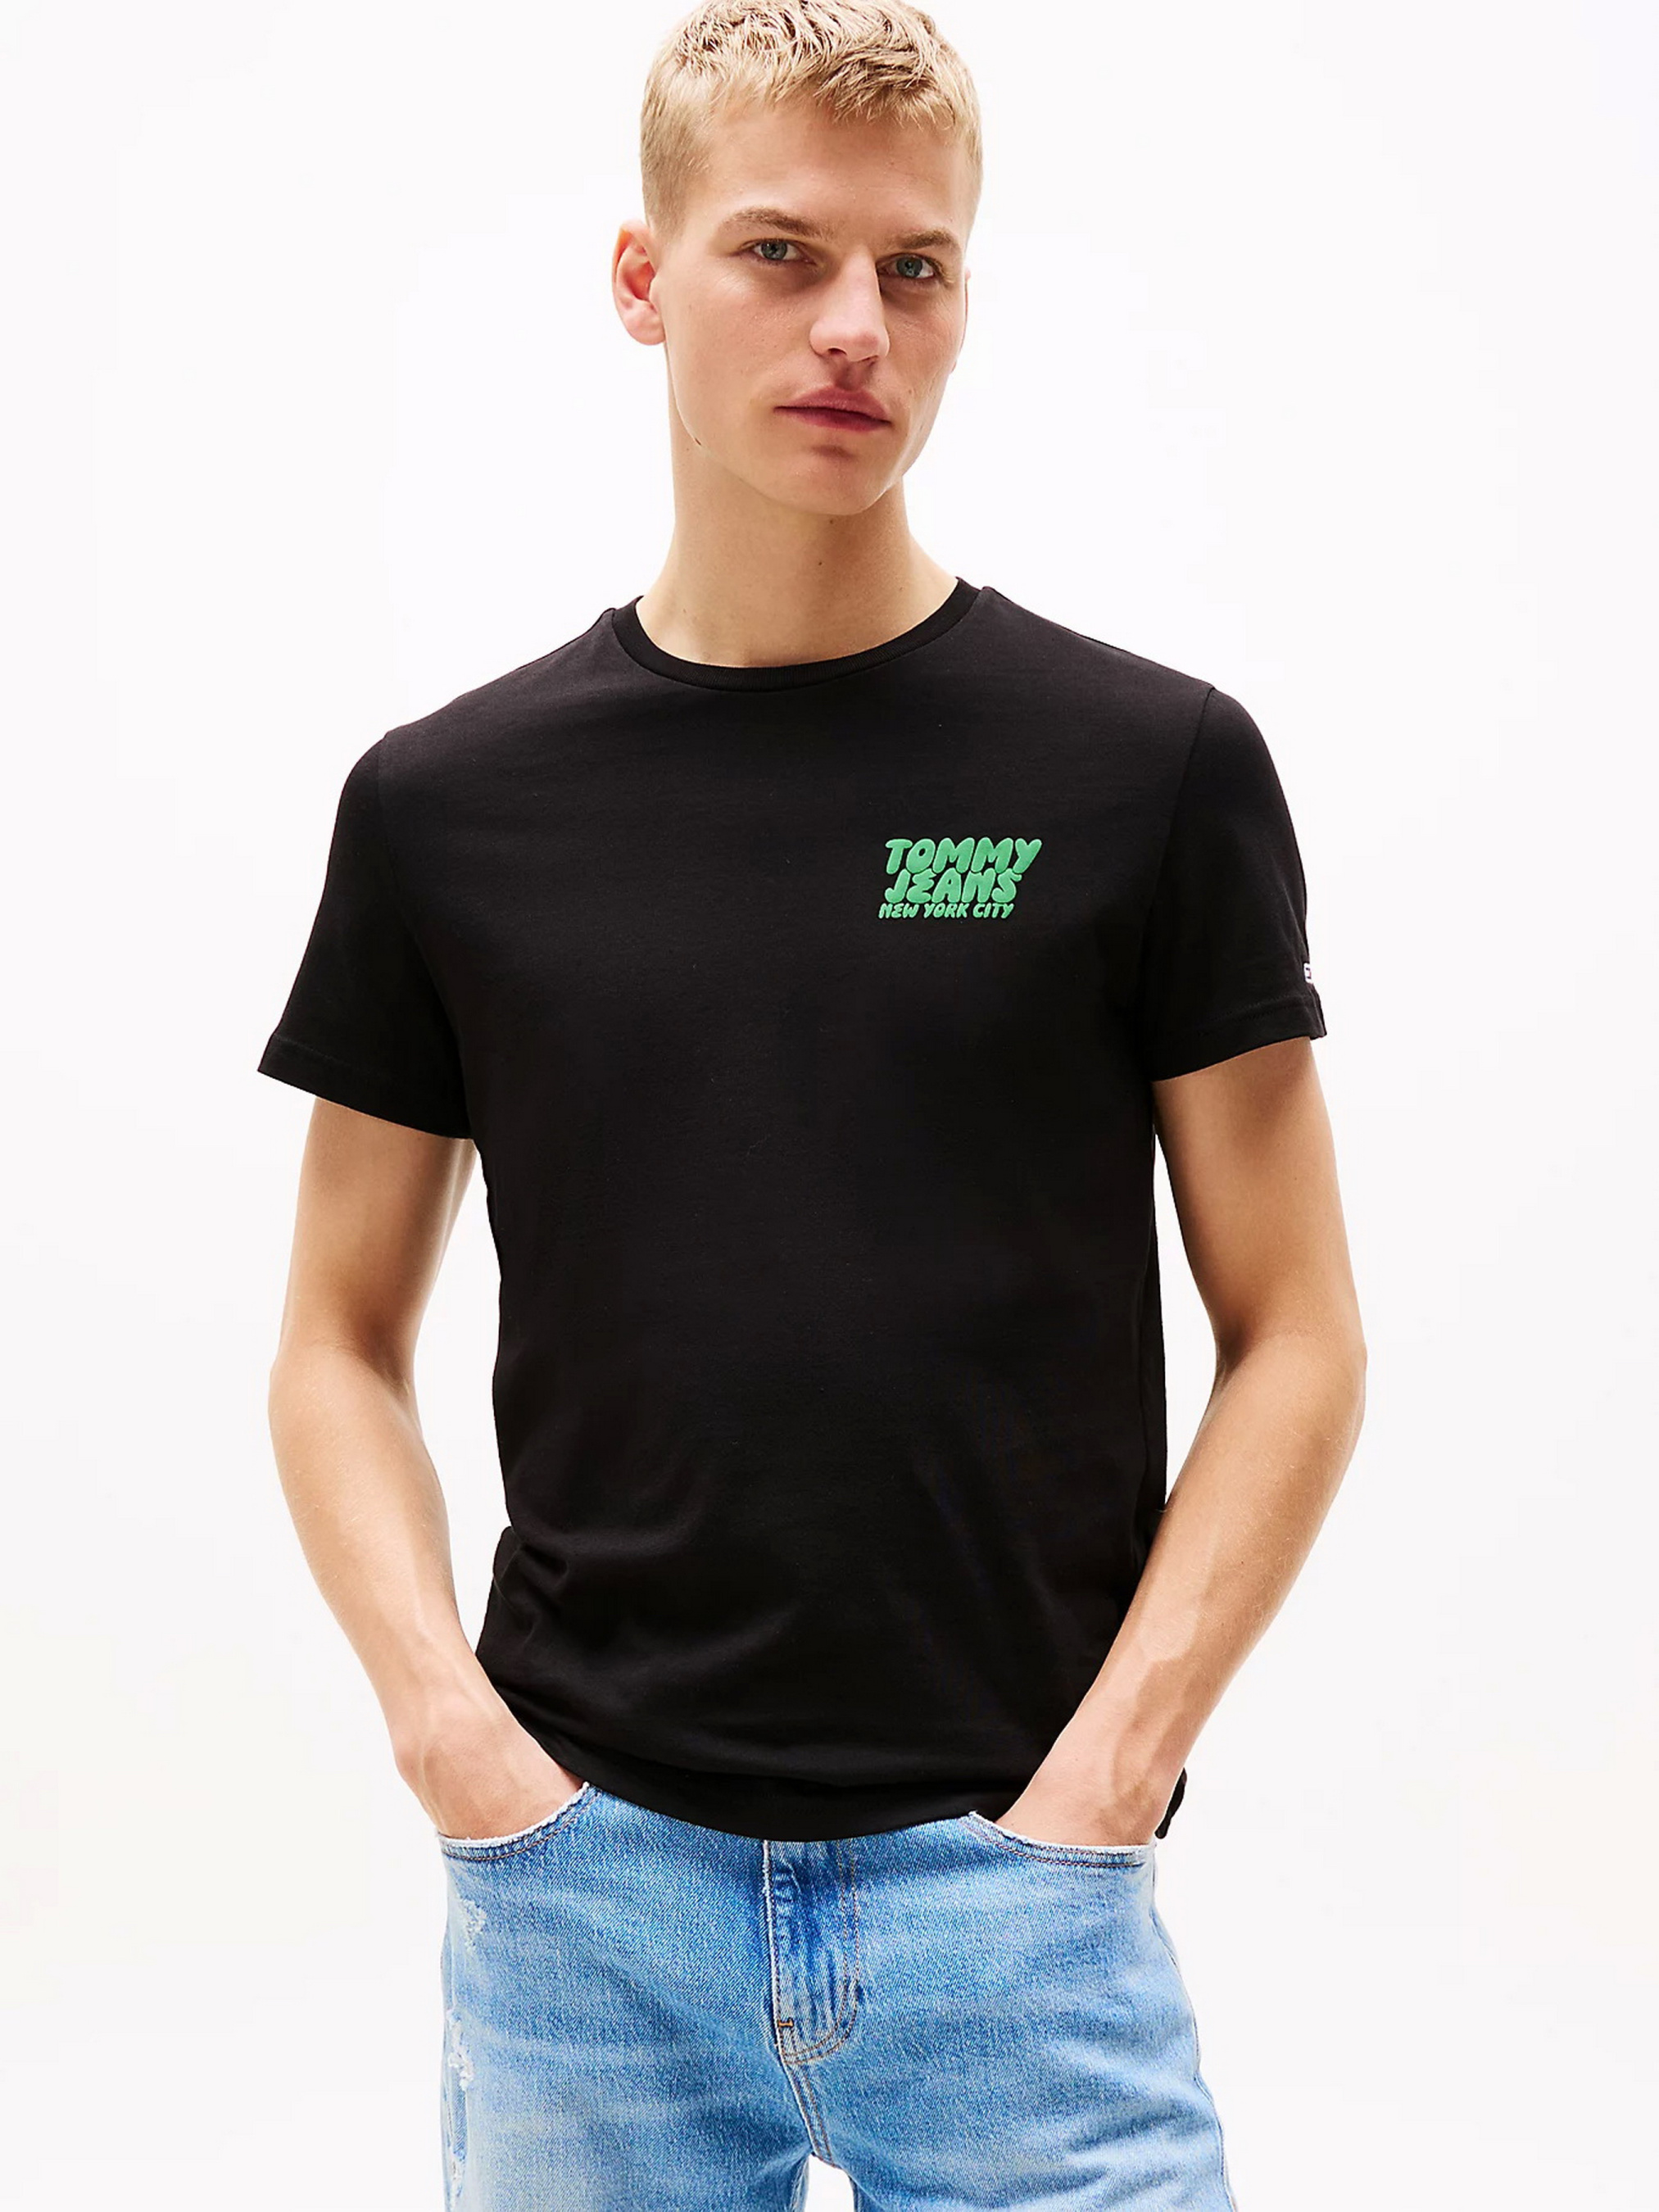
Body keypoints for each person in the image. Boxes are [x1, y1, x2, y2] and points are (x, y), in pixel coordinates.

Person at [257, 3, 1367, 2205]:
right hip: (585, 1902)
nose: (857, 324)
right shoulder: (449, 809)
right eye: (781, 252)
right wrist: (453, 1737)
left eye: (914, 267)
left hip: (1019, 1898)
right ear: (643, 278)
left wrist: (1111, 1771)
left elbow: (1300, 1331)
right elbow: (332, 1339)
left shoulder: (1141, 772)